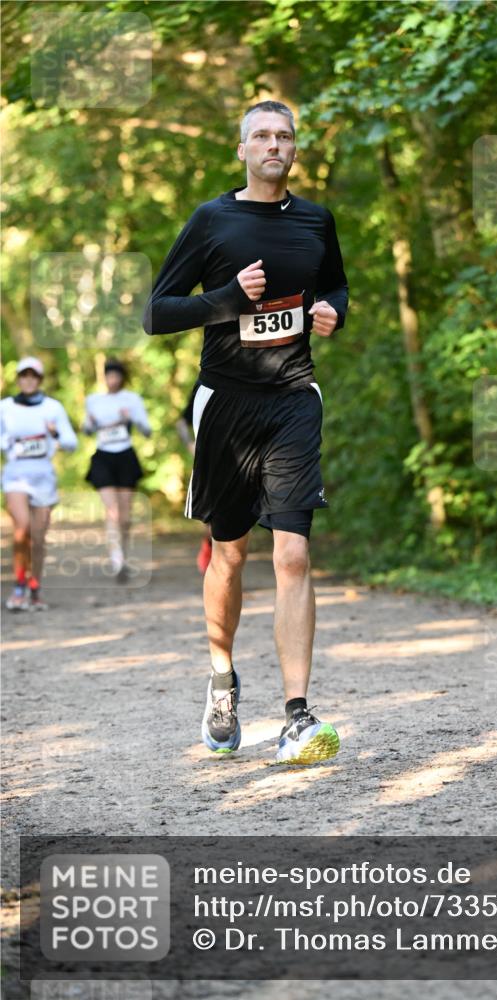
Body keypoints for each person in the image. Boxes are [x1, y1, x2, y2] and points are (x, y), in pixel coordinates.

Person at [144, 100, 348, 765]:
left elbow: (338, 287)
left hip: (292, 399)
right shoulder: (212, 220)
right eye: (260, 136)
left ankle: (296, 714)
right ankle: (223, 681)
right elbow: (158, 313)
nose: (273, 145)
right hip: (225, 406)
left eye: (283, 136)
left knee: (291, 554)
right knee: (229, 553)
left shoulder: (317, 220)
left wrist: (329, 312)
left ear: (294, 150)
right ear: (241, 150)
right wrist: (226, 299)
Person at [1, 356, 77, 611]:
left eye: (33, 376)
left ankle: (35, 588)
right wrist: (6, 441)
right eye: (24, 375)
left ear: (40, 380)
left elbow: (71, 442)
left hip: (43, 475)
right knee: (22, 528)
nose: (29, 380)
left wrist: (55, 433)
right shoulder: (6, 407)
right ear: (19, 379)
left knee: (38, 538)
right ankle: (18, 585)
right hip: (16, 474)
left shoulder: (52, 408)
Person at [83, 359, 151, 582]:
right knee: (112, 511)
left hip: (125, 457)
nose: (113, 379)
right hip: (103, 457)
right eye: (109, 375)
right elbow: (86, 430)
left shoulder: (132, 399)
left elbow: (147, 430)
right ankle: (117, 560)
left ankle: (123, 554)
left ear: (122, 377)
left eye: (116, 375)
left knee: (125, 515)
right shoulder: (93, 400)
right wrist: (90, 423)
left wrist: (130, 418)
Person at [176, 380, 212, 575]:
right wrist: (190, 444)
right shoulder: (204, 385)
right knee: (212, 520)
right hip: (208, 462)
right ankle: (208, 547)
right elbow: (181, 421)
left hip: (241, 460)